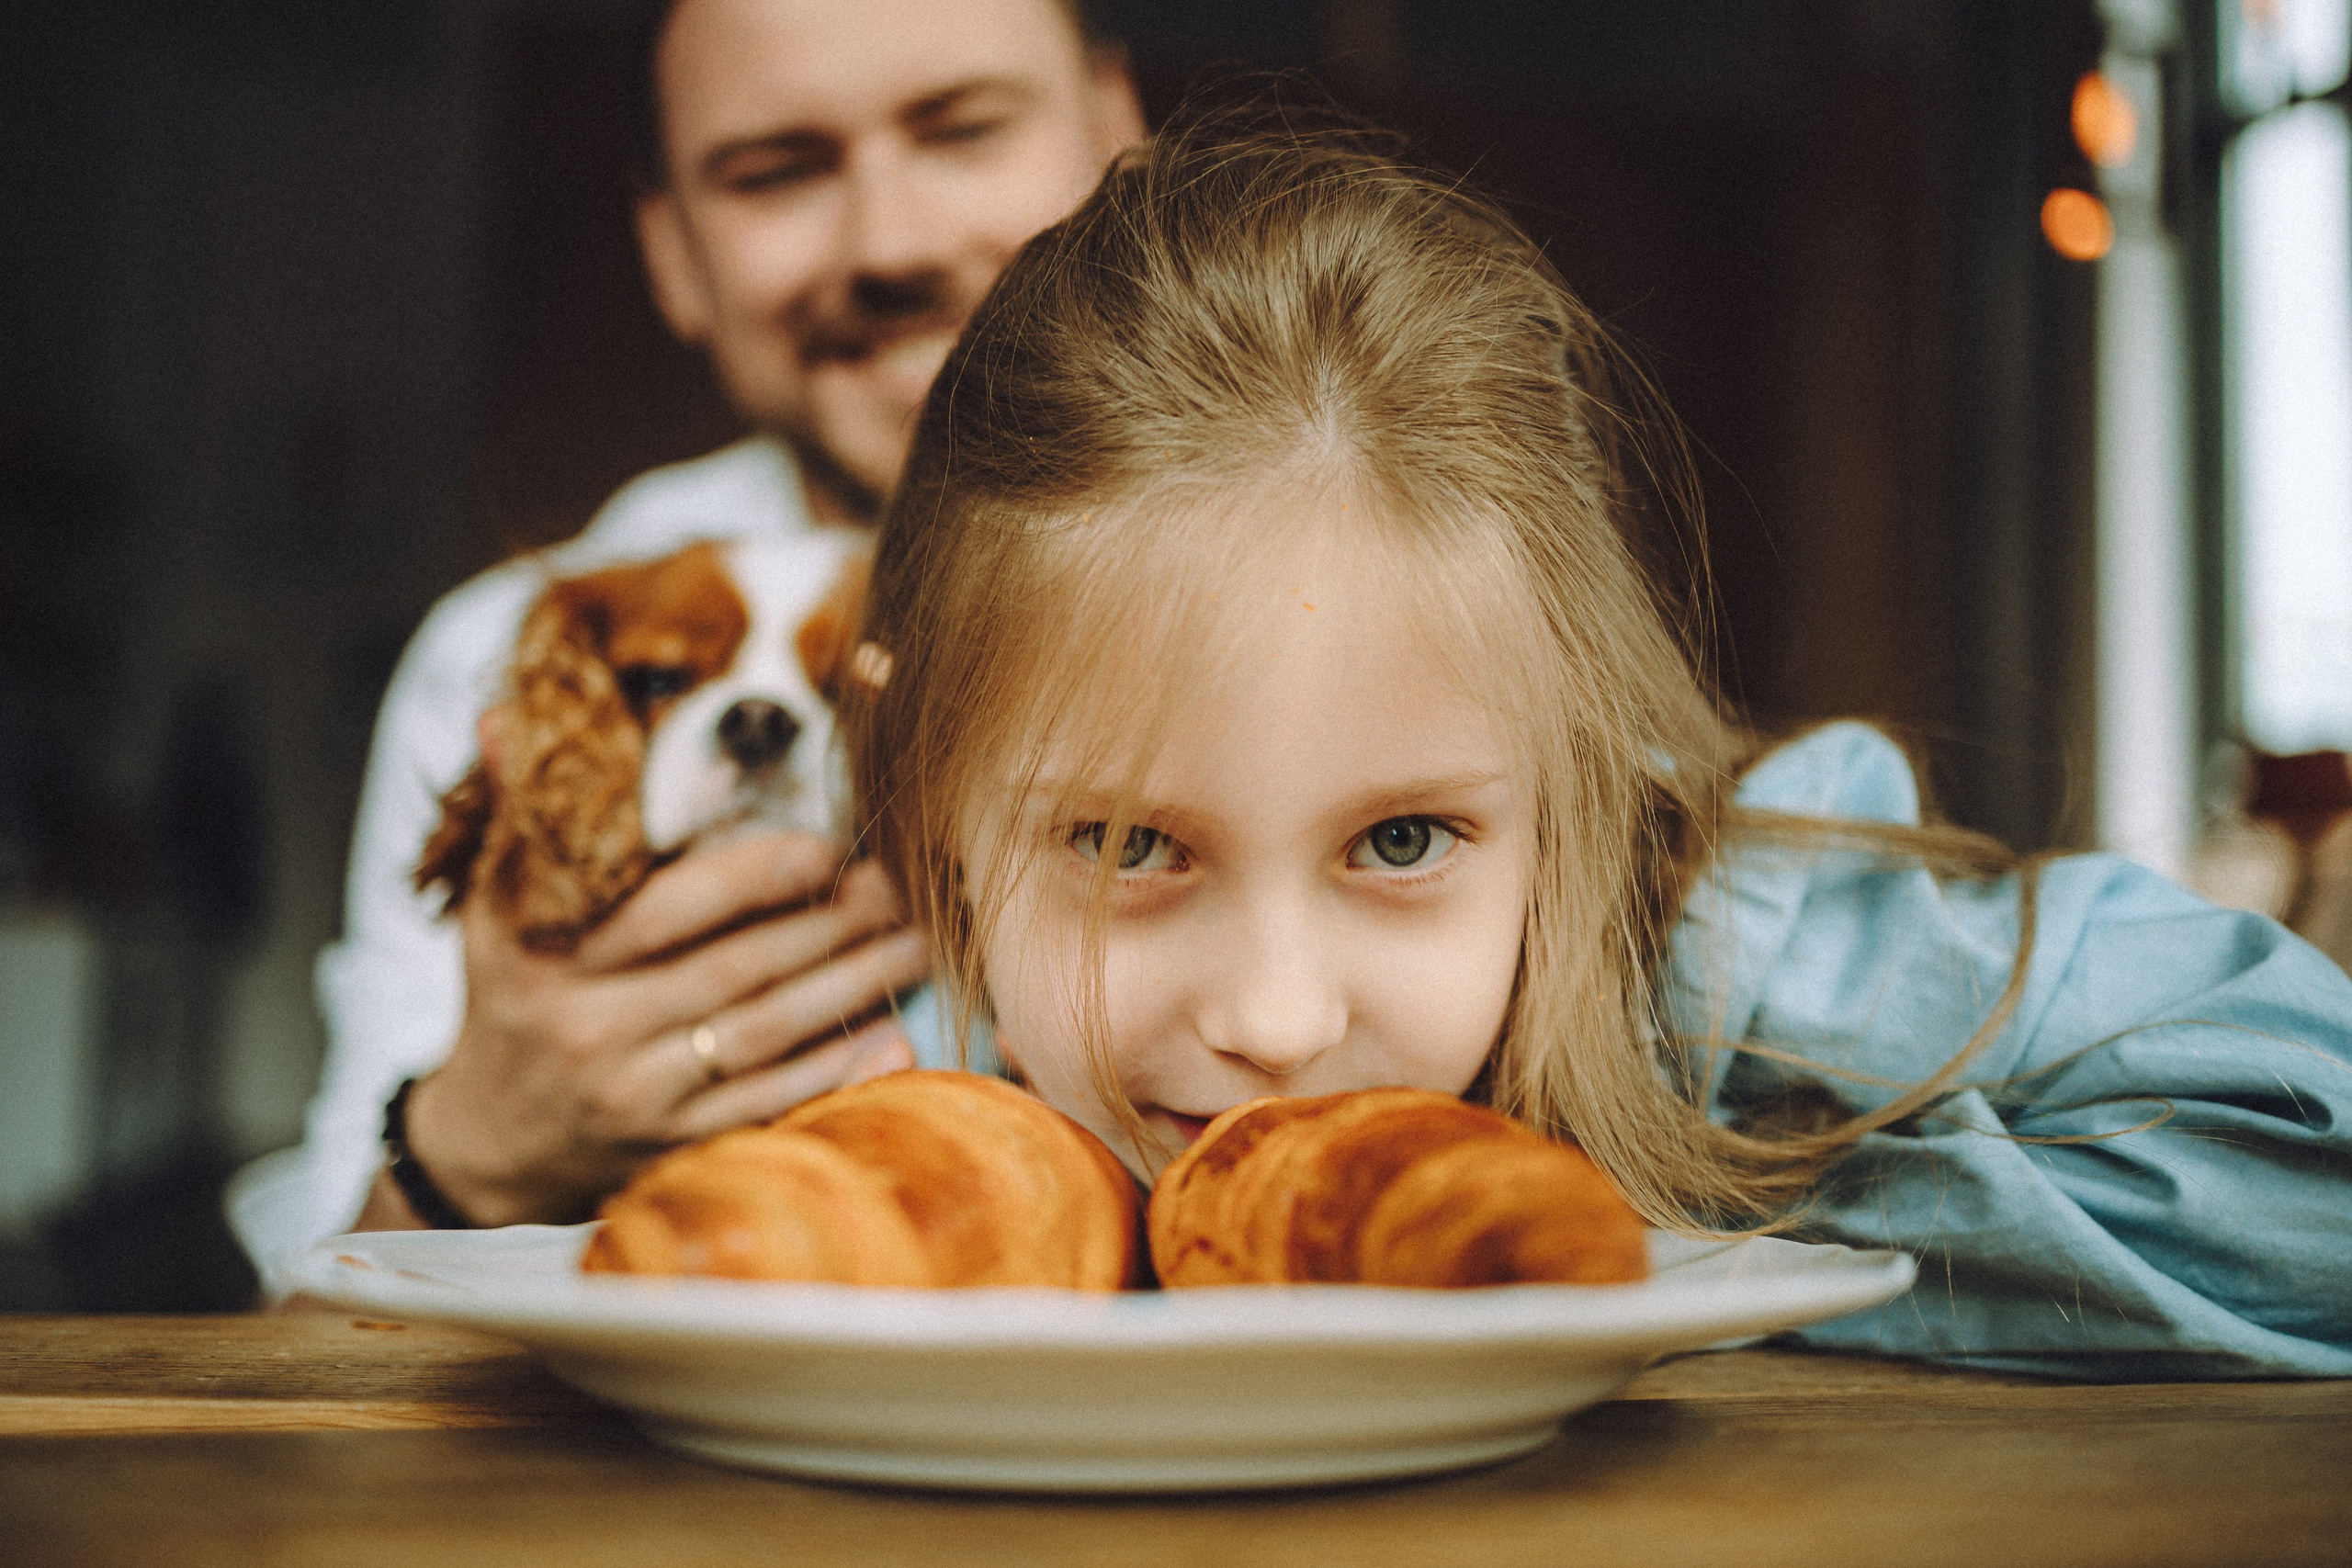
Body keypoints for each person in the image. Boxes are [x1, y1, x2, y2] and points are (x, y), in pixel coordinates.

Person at [838, 99, 2352, 1377]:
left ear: (1575, 790)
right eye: (1125, 847)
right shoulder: (914, 1069)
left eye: (1404, 840)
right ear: (931, 808)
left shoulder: (1726, 944)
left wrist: (1658, 1237)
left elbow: (2316, 1160)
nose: (1278, 1019)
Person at [226, 0, 1145, 1291]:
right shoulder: (519, 649)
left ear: (1118, 134)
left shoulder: (1357, 565)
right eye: (779, 171)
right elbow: (312, 1322)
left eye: (963, 130)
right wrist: (476, 1147)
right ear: (672, 251)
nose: (890, 241)